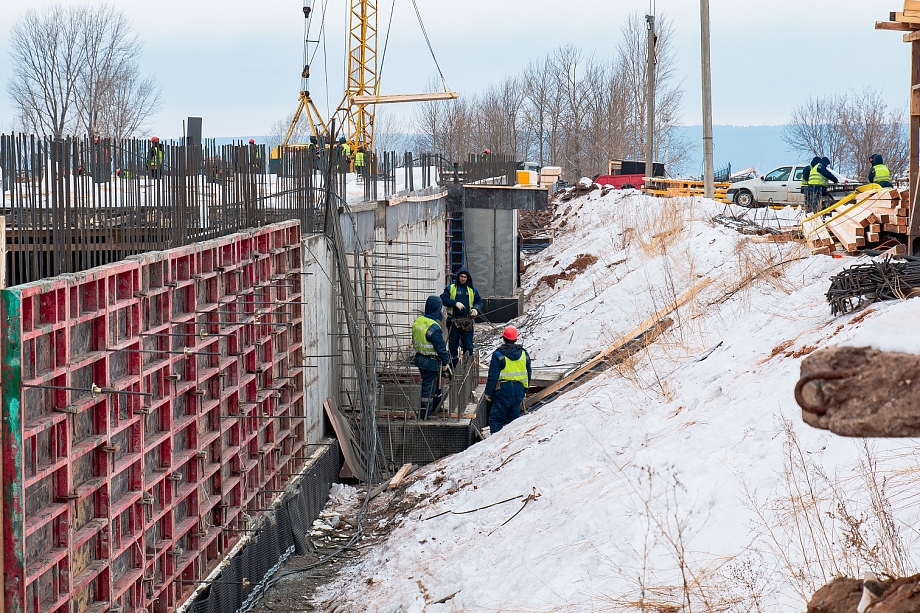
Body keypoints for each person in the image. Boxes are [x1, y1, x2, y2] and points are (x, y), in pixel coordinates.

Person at [483, 326, 531, 434]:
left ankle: (495, 442)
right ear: (516, 338)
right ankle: (510, 441)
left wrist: (488, 393)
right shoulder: (524, 354)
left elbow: (493, 376)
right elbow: (528, 373)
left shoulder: (498, 355)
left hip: (503, 391)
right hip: (518, 390)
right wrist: (525, 390)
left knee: (496, 420)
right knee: (513, 422)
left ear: (504, 338)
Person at [412, 296, 452, 419]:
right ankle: (426, 413)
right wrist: (446, 361)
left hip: (420, 358)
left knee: (433, 385)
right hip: (430, 361)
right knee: (429, 388)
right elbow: (441, 348)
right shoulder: (433, 328)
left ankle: (434, 407)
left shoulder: (419, 321)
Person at [440, 267, 483, 364]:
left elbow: (479, 301)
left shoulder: (472, 290)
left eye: (465, 277)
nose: (463, 279)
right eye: (461, 276)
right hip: (453, 321)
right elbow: (443, 299)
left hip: (467, 321)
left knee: (468, 345)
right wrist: (454, 303)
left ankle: (467, 365)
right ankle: (454, 365)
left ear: (468, 278)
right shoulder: (451, 288)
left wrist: (476, 308)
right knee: (453, 345)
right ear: (458, 277)